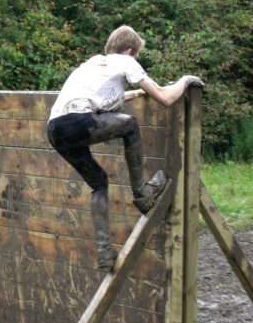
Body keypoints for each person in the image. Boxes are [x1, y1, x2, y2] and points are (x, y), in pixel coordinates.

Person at [47, 25, 203, 270]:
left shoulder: (92, 64)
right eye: (137, 55)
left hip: (55, 129)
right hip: (78, 121)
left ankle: (104, 253)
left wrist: (137, 93)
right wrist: (185, 81)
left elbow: (101, 100)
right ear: (131, 51)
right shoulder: (126, 62)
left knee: (99, 183)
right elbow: (165, 98)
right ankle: (142, 194)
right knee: (129, 125)